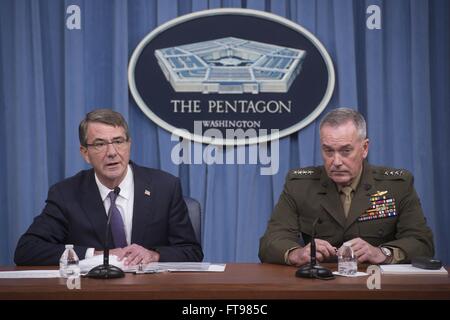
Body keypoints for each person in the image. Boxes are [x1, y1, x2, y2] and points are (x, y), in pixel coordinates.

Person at [15, 109, 203, 266]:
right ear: (85, 153)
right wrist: (96, 255)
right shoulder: (66, 194)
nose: (112, 153)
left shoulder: (165, 187)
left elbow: (191, 252)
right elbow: (27, 249)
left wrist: (154, 256)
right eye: (100, 144)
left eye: (118, 142)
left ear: (129, 144)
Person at [259, 107, 434, 266]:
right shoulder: (299, 186)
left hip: (376, 285)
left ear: (364, 148)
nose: (336, 161)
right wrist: (297, 254)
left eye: (345, 151)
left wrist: (382, 253)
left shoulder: (397, 186)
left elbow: (421, 243)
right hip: (319, 285)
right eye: (328, 151)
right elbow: (270, 242)